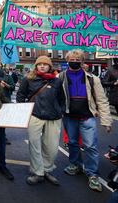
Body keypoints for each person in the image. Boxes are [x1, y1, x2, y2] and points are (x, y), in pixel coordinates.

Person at [60, 49, 112, 192]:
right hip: (69, 117)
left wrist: (106, 121)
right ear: (67, 60)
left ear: (82, 62)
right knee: (72, 143)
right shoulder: (61, 77)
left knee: (90, 146)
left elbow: (102, 100)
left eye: (78, 60)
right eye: (72, 60)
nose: (75, 62)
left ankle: (92, 174)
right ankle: (75, 165)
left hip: (87, 117)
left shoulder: (92, 78)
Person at [16, 56, 65, 186]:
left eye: (45, 64)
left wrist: (60, 111)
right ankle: (38, 172)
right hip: (35, 115)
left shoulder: (56, 81)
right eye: (39, 64)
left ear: (50, 66)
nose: (42, 66)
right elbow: (20, 95)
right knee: (35, 145)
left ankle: (47, 169)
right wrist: (24, 111)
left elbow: (62, 99)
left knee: (52, 147)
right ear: (36, 66)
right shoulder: (28, 79)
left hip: (53, 117)